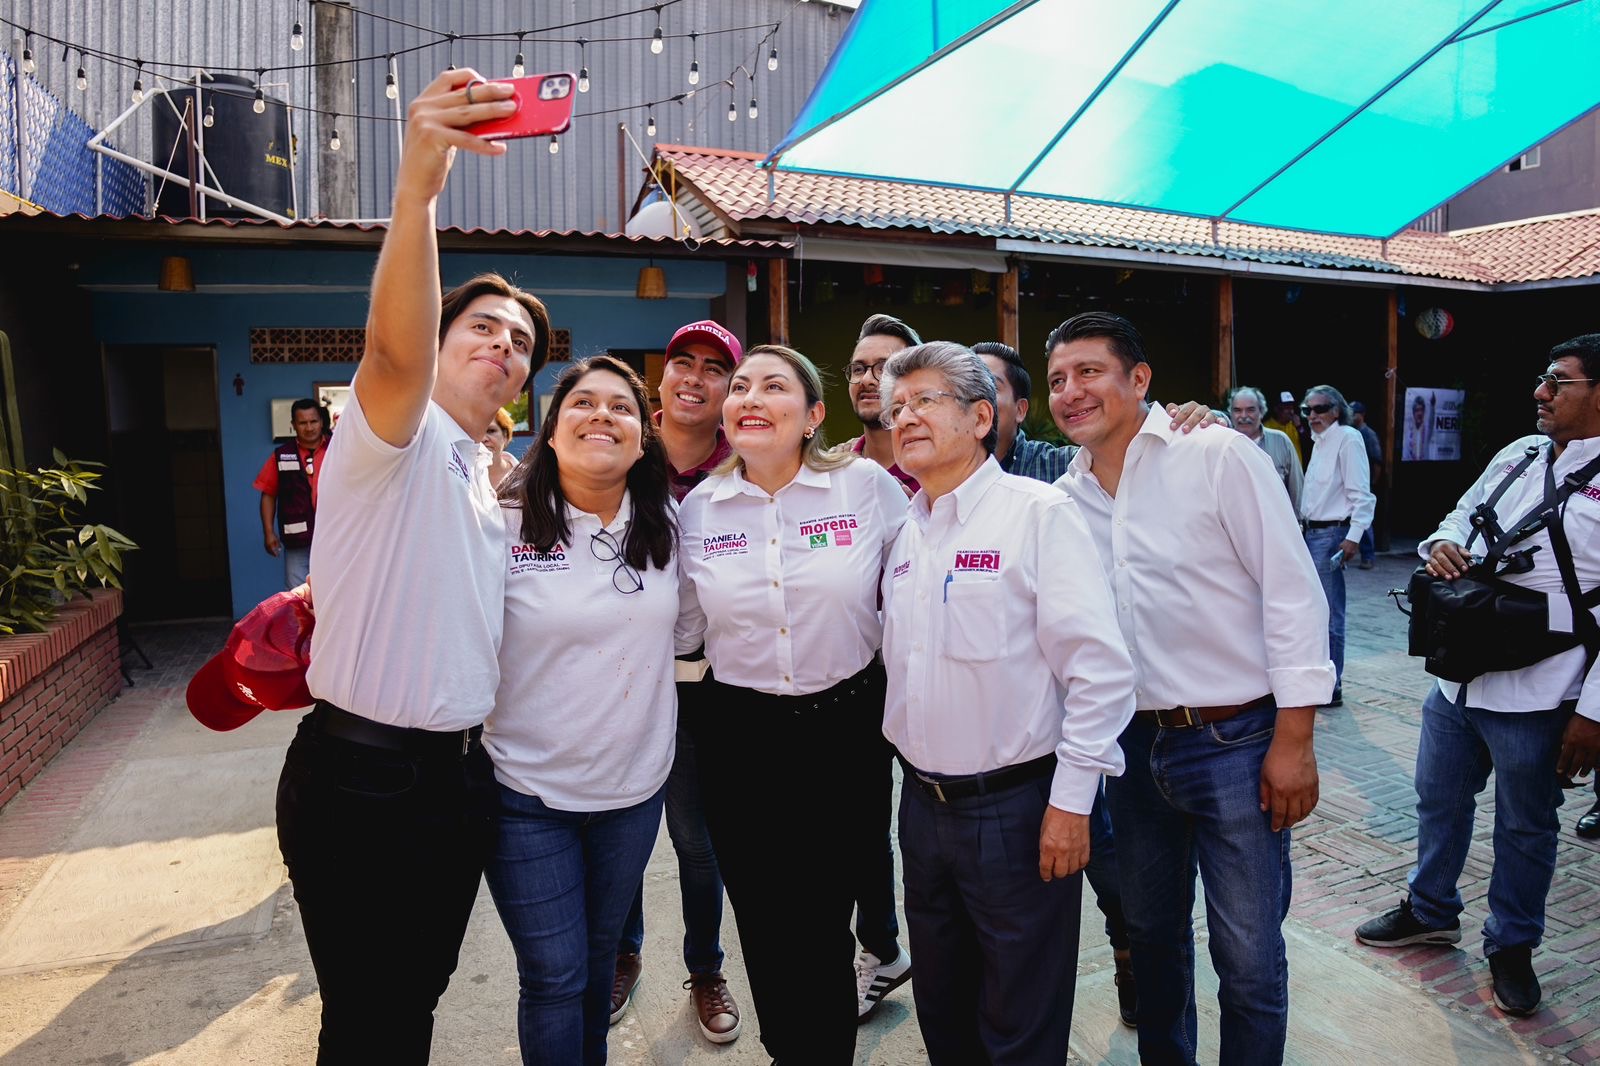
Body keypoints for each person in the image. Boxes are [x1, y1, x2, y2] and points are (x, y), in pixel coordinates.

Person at [274, 69, 550, 1064]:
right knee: (369, 1020)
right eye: (482, 326)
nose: (503, 345)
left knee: (414, 1005)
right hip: (362, 777)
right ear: (435, 341)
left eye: (520, 343)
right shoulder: (393, 426)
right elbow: (391, 353)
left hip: (455, 780)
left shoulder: (485, 470)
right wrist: (419, 187)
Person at [1049, 311, 1331, 1066]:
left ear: (1139, 379)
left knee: (1246, 957)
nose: (1071, 392)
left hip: (1236, 742)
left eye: (1089, 372)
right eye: (1057, 380)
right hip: (1133, 751)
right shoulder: (1061, 497)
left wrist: (1295, 740)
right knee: (1153, 942)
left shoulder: (1215, 455)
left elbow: (1293, 591)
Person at [878, 340, 1136, 1065]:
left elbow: (1100, 671)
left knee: (1020, 1018)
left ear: (982, 416)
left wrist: (1072, 803)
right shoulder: (907, 530)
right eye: (898, 407)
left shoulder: (1037, 515)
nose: (907, 416)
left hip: (1019, 811)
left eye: (925, 400)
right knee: (943, 1006)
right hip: (923, 810)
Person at [677, 344, 909, 1064]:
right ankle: (789, 1050)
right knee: (765, 918)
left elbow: (926, 575)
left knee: (824, 919)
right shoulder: (700, 508)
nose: (748, 396)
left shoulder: (866, 488)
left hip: (845, 725)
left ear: (813, 417)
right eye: (740, 386)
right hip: (739, 734)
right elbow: (684, 630)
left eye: (773, 386)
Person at [1356, 335, 1600, 1016]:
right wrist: (1442, 546)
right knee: (1438, 798)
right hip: (1459, 677)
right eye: (1541, 378)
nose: (1541, 393)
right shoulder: (1518, 453)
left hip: (1544, 683)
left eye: (1559, 382)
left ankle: (1512, 945)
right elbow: (1457, 517)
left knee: (1526, 826)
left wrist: (1594, 715)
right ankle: (1431, 907)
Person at [485, 356, 689, 1066]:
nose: (601, 414)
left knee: (600, 964)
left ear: (643, 437)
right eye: (583, 402)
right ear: (552, 427)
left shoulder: (669, 526)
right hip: (523, 794)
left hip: (632, 793)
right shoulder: (501, 524)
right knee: (554, 974)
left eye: (621, 407)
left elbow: (693, 635)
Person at [972, 337, 1136, 1026]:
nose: (969, 401)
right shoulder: (923, 484)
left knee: (1105, 859)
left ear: (1017, 408)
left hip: (1076, 718)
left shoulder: (1052, 471)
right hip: (989, 738)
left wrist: (1188, 417)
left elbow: (1120, 439)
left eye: (988, 390)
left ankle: (1131, 953)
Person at [613, 318, 743, 1045]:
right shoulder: (622, 446)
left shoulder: (745, 466)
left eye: (713, 368)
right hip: (619, 679)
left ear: (730, 387)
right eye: (682, 363)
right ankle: (622, 956)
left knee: (696, 842)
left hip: (702, 689)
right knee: (624, 832)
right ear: (660, 377)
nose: (695, 378)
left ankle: (706, 970)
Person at [1300, 385, 1375, 707]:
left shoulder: (1347, 437)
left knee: (1329, 614)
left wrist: (1353, 537)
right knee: (1311, 612)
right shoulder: (1319, 442)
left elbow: (1362, 493)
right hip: (1310, 534)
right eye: (1308, 410)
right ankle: (1319, 680)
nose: (1313, 415)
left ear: (1336, 409)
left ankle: (1332, 685)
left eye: (1320, 408)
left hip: (1331, 535)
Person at [254, 398, 330, 588]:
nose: (309, 427)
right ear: (293, 425)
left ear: (321, 422)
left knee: (336, 592)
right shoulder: (282, 455)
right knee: (297, 595)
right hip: (298, 540)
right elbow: (268, 494)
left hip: (334, 535)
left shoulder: (338, 448)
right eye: (303, 423)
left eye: (313, 421)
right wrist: (269, 532)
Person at [844, 313, 923, 493]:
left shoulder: (936, 470)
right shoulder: (832, 470)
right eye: (858, 369)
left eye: (884, 368)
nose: (866, 379)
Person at [1229, 386, 1304, 510]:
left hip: (1276, 524)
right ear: (1231, 413)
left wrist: (1298, 523)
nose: (1243, 416)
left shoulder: (1281, 441)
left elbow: (1296, 488)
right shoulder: (1223, 445)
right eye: (1237, 410)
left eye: (1250, 410)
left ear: (1262, 411)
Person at [1350, 401, 1384, 568]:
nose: (1351, 416)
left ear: (1361, 414)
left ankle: (1368, 556)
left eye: (1354, 413)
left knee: (1365, 520)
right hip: (1354, 482)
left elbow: (1377, 461)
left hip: (1365, 484)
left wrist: (1373, 484)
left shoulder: (1368, 434)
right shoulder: (1351, 433)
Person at [1263, 390, 1305, 465]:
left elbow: (1309, 445)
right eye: (1287, 408)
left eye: (1292, 408)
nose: (1291, 411)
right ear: (1277, 409)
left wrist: (1299, 427)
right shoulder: (1267, 427)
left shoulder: (1295, 425)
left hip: (1296, 471)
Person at [483, 406, 517, 489]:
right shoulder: (458, 477)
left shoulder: (528, 478)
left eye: (491, 431)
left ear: (505, 436)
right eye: (477, 432)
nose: (483, 439)